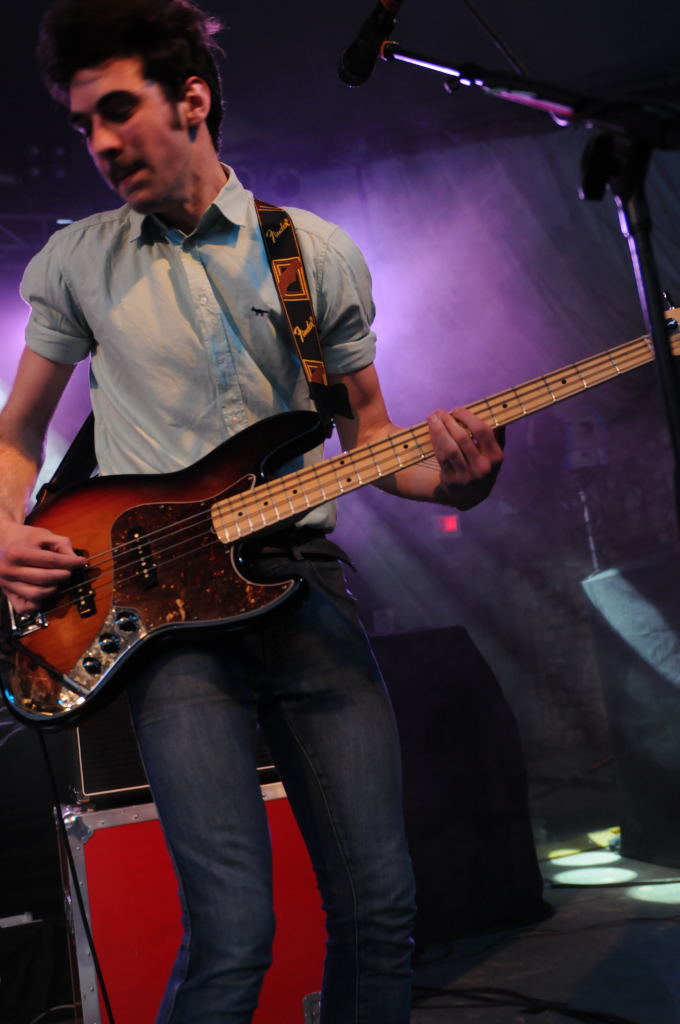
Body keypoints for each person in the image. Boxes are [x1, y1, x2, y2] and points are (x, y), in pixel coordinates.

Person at [0, 1, 504, 1021]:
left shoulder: (311, 252)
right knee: (234, 935)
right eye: (83, 124)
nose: (98, 143)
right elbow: (17, 435)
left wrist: (461, 479)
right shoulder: (77, 262)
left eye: (117, 110)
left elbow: (371, 441)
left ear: (192, 98)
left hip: (304, 592)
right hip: (169, 624)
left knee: (378, 911)